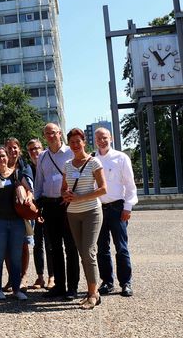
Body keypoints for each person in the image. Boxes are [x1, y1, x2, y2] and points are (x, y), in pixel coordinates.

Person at [61, 128, 107, 309]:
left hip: (91, 212)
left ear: (84, 142)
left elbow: (103, 189)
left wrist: (80, 197)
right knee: (83, 254)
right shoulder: (67, 164)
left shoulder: (94, 162)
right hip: (73, 213)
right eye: (72, 142)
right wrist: (65, 194)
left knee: (89, 252)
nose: (75, 145)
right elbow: (62, 188)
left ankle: (93, 294)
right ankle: (92, 291)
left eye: (78, 141)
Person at [34, 123, 79, 300]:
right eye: (47, 133)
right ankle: (59, 286)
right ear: (44, 136)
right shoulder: (43, 156)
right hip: (49, 205)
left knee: (70, 246)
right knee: (54, 248)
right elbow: (39, 181)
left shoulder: (70, 153)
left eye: (53, 133)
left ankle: (73, 287)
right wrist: (37, 204)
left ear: (60, 133)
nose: (51, 136)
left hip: (66, 205)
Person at [0, 145, 32, 301]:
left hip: (16, 222)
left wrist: (29, 196)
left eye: (4, 156)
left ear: (8, 157)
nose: (2, 159)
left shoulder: (16, 174)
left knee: (16, 257)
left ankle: (17, 289)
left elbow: (29, 189)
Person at [94, 127, 137, 297]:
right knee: (102, 248)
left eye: (104, 137)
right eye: (98, 138)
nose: (101, 141)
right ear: (95, 140)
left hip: (118, 207)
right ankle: (107, 282)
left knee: (121, 247)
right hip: (99, 208)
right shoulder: (92, 159)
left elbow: (130, 185)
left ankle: (126, 283)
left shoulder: (121, 157)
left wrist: (128, 207)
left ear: (110, 138)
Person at [5, 138, 34, 292]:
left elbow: (30, 187)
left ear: (19, 149)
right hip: (6, 211)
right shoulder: (1, 167)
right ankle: (12, 278)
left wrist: (28, 194)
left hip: (22, 211)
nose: (12, 150)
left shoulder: (25, 167)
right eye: (9, 148)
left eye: (15, 147)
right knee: (8, 248)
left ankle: (23, 276)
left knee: (23, 246)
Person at [26, 138, 54, 290]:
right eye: (31, 150)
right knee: (37, 244)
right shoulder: (28, 168)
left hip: (49, 206)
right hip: (35, 209)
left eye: (37, 148)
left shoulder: (48, 164)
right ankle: (40, 276)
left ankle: (52, 276)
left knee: (50, 243)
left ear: (42, 148)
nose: (34, 152)